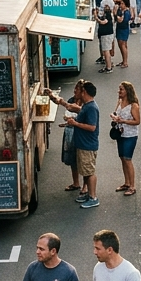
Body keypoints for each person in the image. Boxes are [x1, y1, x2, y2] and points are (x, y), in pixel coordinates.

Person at [55, 81, 101, 209]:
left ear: (84, 92)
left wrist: (75, 124)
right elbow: (74, 111)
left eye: (80, 90)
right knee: (85, 171)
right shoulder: (86, 106)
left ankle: (93, 197)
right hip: (82, 143)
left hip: (88, 144)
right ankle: (88, 195)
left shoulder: (91, 107)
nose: (78, 92)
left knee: (89, 171)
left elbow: (92, 127)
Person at [111, 82, 141, 195]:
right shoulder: (120, 102)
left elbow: (137, 121)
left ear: (127, 91)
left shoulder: (134, 105)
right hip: (121, 134)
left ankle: (132, 186)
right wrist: (115, 117)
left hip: (130, 135)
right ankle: (127, 182)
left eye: (121, 90)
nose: (119, 92)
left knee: (128, 159)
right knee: (122, 158)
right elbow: (116, 112)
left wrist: (123, 121)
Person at [95, 4, 115, 73]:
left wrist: (96, 17)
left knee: (106, 52)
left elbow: (102, 22)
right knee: (105, 51)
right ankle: (107, 66)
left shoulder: (108, 15)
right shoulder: (105, 15)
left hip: (107, 35)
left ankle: (109, 67)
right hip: (105, 35)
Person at [114, 0, 133, 68]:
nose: (120, 5)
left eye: (122, 3)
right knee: (120, 45)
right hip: (119, 28)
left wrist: (116, 16)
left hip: (124, 29)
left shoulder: (126, 12)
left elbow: (121, 20)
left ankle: (125, 62)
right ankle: (123, 60)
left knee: (123, 45)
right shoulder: (121, 11)